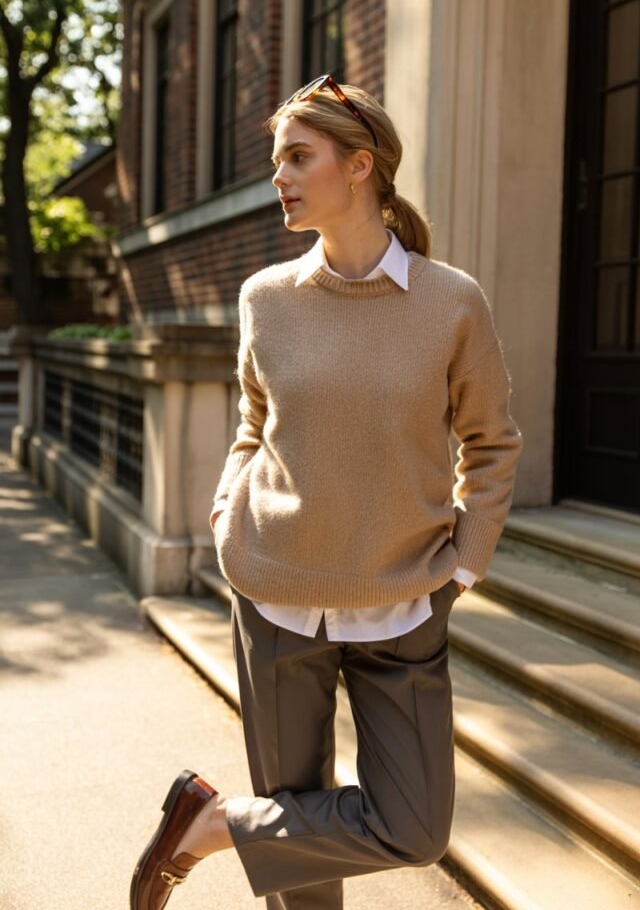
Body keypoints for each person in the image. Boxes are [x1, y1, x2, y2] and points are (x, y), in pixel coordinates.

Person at [130, 74, 524, 910]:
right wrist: (230, 495)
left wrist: (463, 567)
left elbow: (491, 443)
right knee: (303, 856)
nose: (280, 176)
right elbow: (254, 420)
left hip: (407, 598)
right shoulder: (265, 298)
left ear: (361, 165)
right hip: (273, 593)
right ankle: (237, 826)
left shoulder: (452, 302)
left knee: (415, 825)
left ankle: (215, 823)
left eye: (297, 158)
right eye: (279, 160)